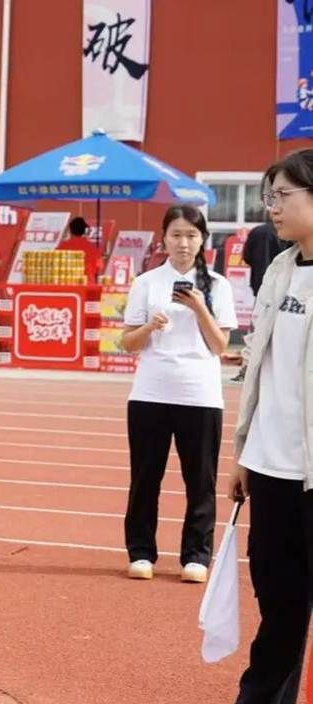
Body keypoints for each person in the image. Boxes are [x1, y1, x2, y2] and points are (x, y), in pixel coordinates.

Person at [205, 150, 313, 704]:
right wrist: (244, 453)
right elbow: (260, 370)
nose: (271, 207)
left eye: (282, 196)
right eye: (269, 196)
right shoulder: (278, 271)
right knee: (279, 598)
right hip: (271, 465)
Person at [119, 205, 237, 584]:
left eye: (191, 235)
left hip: (200, 394)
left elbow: (220, 346)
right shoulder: (146, 283)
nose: (183, 243)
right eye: (176, 235)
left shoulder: (217, 285)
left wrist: (200, 308)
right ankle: (141, 553)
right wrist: (149, 327)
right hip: (150, 393)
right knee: (145, 478)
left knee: (200, 481)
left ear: (203, 240)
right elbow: (128, 343)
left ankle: (196, 556)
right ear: (164, 239)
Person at [232, 222, 289, 383]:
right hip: (285, 288)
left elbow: (247, 257)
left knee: (257, 331)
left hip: (262, 289)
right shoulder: (288, 234)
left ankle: (248, 369)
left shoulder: (257, 232)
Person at [56, 216, 103, 283]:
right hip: (88, 284)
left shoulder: (62, 247)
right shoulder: (92, 248)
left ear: (70, 231)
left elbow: (55, 266)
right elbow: (99, 268)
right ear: (84, 231)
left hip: (67, 284)